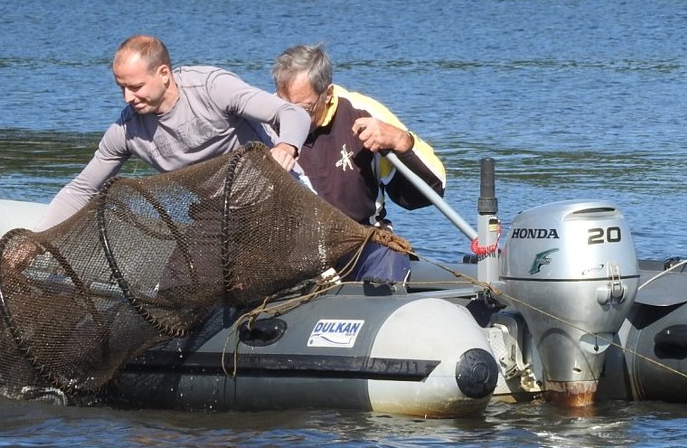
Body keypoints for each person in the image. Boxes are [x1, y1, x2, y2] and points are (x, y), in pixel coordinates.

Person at [33, 35, 311, 231]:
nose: (127, 98)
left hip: (280, 195)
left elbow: (292, 114)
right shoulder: (126, 130)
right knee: (173, 293)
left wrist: (286, 147)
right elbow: (81, 190)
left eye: (136, 87)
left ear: (164, 73)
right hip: (217, 216)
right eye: (122, 88)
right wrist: (37, 238)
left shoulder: (212, 88)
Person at [271, 43, 446, 282]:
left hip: (362, 243)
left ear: (328, 93)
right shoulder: (261, 118)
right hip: (294, 252)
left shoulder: (362, 113)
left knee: (390, 256)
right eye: (285, 107)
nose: (293, 118)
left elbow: (431, 190)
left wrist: (400, 141)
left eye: (304, 110)